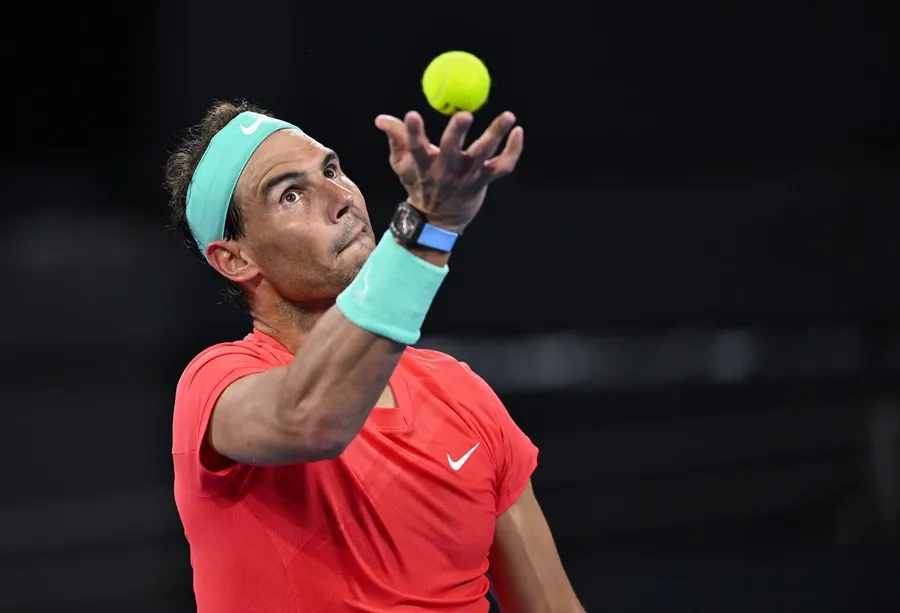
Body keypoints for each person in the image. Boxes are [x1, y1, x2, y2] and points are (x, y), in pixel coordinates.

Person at [165, 99, 583, 613]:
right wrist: (427, 227)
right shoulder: (214, 386)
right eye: (291, 195)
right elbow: (312, 418)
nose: (340, 198)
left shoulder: (461, 393)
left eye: (331, 171)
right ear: (234, 259)